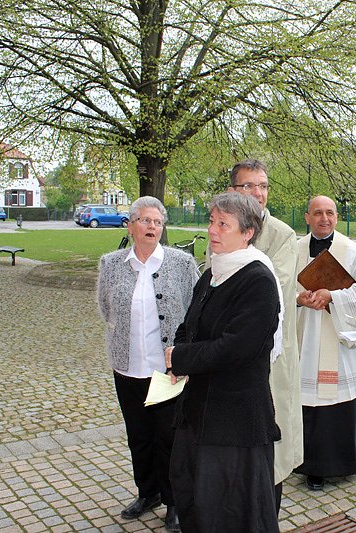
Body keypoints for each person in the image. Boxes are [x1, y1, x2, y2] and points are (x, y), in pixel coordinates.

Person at [165, 192, 283, 532]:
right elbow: (189, 325)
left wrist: (181, 358)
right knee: (195, 500)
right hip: (198, 412)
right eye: (211, 222)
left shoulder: (258, 279)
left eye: (223, 224)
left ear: (247, 233)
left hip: (234, 421)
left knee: (230, 511)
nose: (212, 231)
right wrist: (179, 355)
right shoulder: (212, 273)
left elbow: (237, 348)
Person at [97, 196, 199, 532]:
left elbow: (195, 314)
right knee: (138, 435)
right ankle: (148, 492)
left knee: (169, 438)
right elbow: (106, 310)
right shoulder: (110, 264)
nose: (151, 227)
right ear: (130, 225)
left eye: (157, 222)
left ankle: (175, 503)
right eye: (144, 220)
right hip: (127, 368)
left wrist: (182, 355)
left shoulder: (181, 264)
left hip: (166, 370)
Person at [215, 158, 303, 511]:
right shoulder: (224, 229)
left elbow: (267, 291)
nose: (258, 193)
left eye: (263, 186)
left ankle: (267, 515)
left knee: (270, 444)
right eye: (248, 186)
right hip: (232, 356)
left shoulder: (281, 235)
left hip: (269, 355)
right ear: (232, 191)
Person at [294, 195, 356, 491]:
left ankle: (342, 462)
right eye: (317, 213)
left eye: (329, 213)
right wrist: (299, 298)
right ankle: (308, 465)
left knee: (335, 401)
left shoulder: (351, 250)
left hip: (336, 335)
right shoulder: (295, 249)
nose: (324, 218)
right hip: (304, 335)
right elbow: (283, 286)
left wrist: (334, 296)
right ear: (307, 217)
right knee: (307, 400)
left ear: (337, 217)